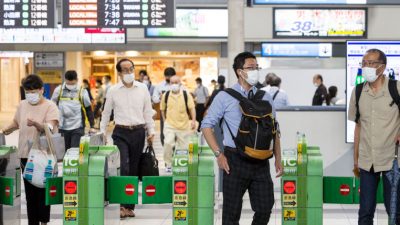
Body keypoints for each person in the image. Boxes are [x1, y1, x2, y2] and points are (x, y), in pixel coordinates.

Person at [201, 52, 283, 225]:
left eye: (256, 68)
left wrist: (278, 158)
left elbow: (274, 130)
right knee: (231, 213)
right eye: (250, 68)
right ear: (240, 71)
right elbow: (206, 126)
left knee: (265, 207)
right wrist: (218, 154)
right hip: (234, 160)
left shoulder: (265, 97)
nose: (255, 71)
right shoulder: (225, 97)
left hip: (260, 161)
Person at [348, 49, 400, 225]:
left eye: (370, 63)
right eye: (364, 63)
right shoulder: (358, 92)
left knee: (393, 209)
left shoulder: (396, 88)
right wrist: (355, 159)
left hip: (392, 161)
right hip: (367, 160)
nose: (366, 67)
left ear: (382, 67)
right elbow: (358, 127)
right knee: (365, 212)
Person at [100, 59, 155, 219]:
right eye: (125, 70)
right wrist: (103, 131)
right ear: (119, 73)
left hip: (138, 132)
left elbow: (148, 111)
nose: (129, 72)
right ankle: (122, 205)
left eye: (131, 69)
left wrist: (151, 130)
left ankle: (130, 207)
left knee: (134, 169)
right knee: (124, 166)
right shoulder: (113, 90)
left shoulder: (143, 88)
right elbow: (106, 112)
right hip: (120, 132)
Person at [1, 74, 59, 225]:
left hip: (44, 156)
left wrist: (38, 125)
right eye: (27, 91)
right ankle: (32, 222)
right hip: (26, 155)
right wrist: (4, 130)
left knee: (42, 190)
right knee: (30, 193)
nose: (30, 94)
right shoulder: (22, 105)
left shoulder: (50, 106)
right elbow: (16, 122)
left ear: (41, 90)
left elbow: (51, 126)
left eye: (33, 91)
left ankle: (44, 221)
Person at [51, 70, 95, 151]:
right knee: (64, 151)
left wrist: (92, 125)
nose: (70, 85)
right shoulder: (58, 90)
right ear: (65, 80)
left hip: (78, 126)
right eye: (68, 83)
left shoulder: (82, 91)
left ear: (77, 80)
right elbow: (52, 107)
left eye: (72, 83)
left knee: (74, 150)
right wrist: (52, 123)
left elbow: (88, 109)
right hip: (62, 126)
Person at [160, 75, 196, 172]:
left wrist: (193, 120)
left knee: (183, 148)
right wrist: (165, 120)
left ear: (180, 83)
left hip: (183, 126)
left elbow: (192, 108)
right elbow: (162, 109)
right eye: (172, 83)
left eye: (176, 82)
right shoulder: (166, 95)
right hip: (170, 125)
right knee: (167, 143)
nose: (174, 84)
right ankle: (168, 164)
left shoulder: (186, 95)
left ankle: (182, 165)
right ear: (170, 84)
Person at [152, 67, 175, 145]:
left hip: (176, 111)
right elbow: (154, 98)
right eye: (167, 76)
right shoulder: (160, 85)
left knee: (176, 130)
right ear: (165, 76)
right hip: (164, 111)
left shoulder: (178, 85)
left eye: (171, 76)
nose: (169, 78)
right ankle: (164, 145)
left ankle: (174, 147)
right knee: (164, 129)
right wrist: (160, 97)